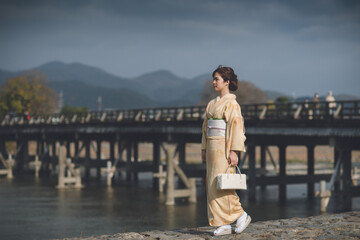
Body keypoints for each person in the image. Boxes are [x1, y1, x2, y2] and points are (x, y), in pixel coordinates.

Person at [201, 65, 251, 236]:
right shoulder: (211, 104)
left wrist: (234, 151)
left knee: (223, 185)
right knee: (212, 185)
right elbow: (205, 128)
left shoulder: (232, 104)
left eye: (217, 79)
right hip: (212, 149)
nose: (214, 82)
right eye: (213, 79)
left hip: (224, 148)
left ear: (227, 82)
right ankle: (221, 223)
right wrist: (204, 147)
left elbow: (237, 127)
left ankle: (240, 214)